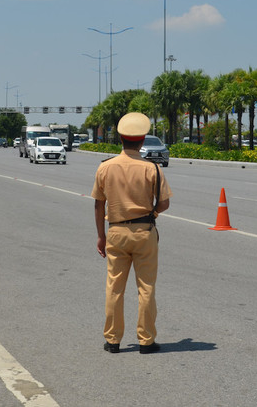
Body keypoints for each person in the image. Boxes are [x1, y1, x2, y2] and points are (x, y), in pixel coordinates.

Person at [92, 112, 172, 355]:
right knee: (146, 287)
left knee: (114, 287)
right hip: (144, 231)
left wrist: (101, 236)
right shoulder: (152, 169)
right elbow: (164, 203)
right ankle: (146, 340)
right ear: (142, 139)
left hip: (116, 231)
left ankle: (113, 340)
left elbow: (98, 204)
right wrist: (152, 214)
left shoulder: (105, 167)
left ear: (121, 139)